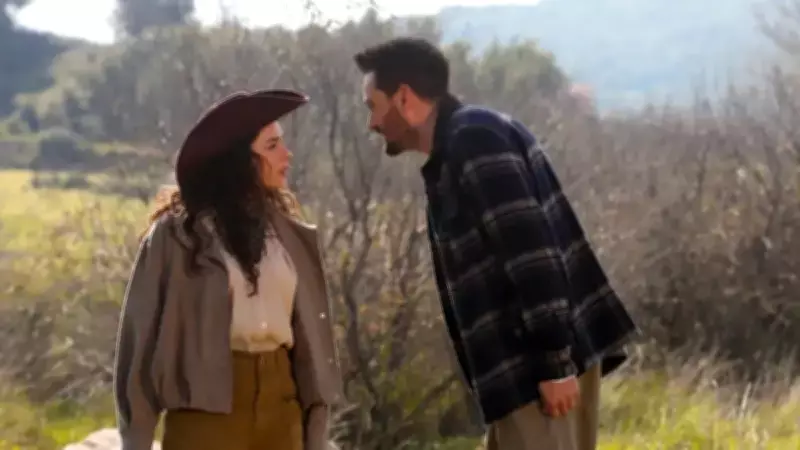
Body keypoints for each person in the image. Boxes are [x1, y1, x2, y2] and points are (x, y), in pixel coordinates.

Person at [353, 38, 638, 450]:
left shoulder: (474, 139)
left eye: (373, 106)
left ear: (404, 98)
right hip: (521, 378)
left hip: (536, 374)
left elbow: (532, 254)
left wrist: (555, 364)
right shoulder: (457, 148)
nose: (372, 123)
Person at [113, 89, 344, 450]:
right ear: (239, 160)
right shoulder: (177, 237)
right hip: (205, 414)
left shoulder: (290, 235)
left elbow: (310, 347)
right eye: (272, 146)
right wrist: (136, 441)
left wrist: (315, 433)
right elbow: (139, 342)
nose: (286, 154)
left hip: (283, 410)